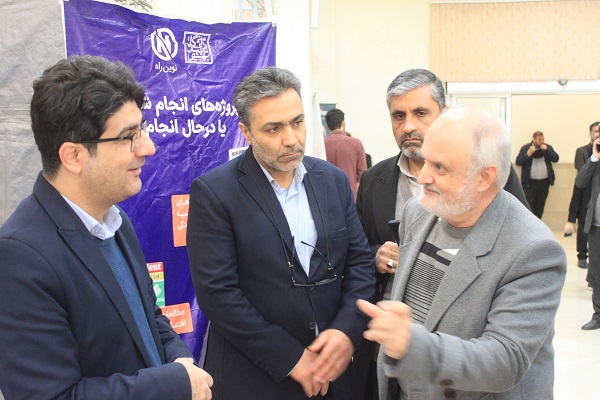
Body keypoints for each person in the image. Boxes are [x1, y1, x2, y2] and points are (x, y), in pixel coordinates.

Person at [0, 56, 213, 400]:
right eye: (129, 137)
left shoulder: (115, 221)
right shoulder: (19, 257)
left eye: (142, 129)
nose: (148, 147)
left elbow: (149, 317)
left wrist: (181, 361)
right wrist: (174, 383)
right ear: (73, 156)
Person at [186, 67, 375, 399]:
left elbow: (359, 264)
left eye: (297, 122)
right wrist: (292, 359)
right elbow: (218, 294)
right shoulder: (215, 193)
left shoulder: (333, 181)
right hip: (255, 378)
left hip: (334, 376)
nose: (291, 139)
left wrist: (346, 330)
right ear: (246, 132)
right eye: (273, 128)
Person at [357, 105, 567, 400]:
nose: (423, 177)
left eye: (440, 167)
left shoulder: (533, 250)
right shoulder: (418, 212)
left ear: (484, 177)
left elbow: (506, 360)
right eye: (425, 161)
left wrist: (412, 345)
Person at [563, 121, 600, 269]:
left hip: (596, 190)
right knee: (584, 223)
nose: (598, 134)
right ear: (590, 133)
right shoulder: (583, 151)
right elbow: (581, 172)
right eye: (596, 131)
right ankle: (582, 255)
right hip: (584, 190)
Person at [575, 133, 600, 330]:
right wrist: (594, 157)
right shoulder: (595, 161)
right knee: (596, 274)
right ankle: (598, 315)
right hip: (596, 226)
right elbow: (580, 181)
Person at [324, 108, 367, 200]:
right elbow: (362, 175)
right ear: (343, 123)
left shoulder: (322, 144)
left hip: (327, 197)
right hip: (349, 198)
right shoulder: (356, 144)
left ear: (327, 126)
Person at [516, 130, 560, 218]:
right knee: (528, 206)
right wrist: (527, 155)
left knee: (540, 207)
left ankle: (538, 224)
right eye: (539, 140)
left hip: (544, 183)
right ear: (534, 139)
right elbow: (518, 162)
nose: (542, 141)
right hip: (530, 183)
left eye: (543, 139)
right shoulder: (526, 148)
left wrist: (547, 150)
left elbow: (556, 159)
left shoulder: (547, 147)